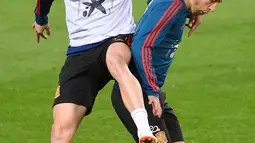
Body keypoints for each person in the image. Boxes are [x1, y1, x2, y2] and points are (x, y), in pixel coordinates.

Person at [32, 0, 160, 142]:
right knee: (61, 128)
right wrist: (41, 19)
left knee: (116, 62)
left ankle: (143, 128)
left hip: (117, 38)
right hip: (79, 49)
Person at [111, 0, 222, 142]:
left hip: (153, 93)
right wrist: (151, 90)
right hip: (138, 95)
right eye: (210, 2)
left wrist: (193, 11)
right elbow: (141, 46)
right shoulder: (170, 7)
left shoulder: (178, 6)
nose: (212, 8)